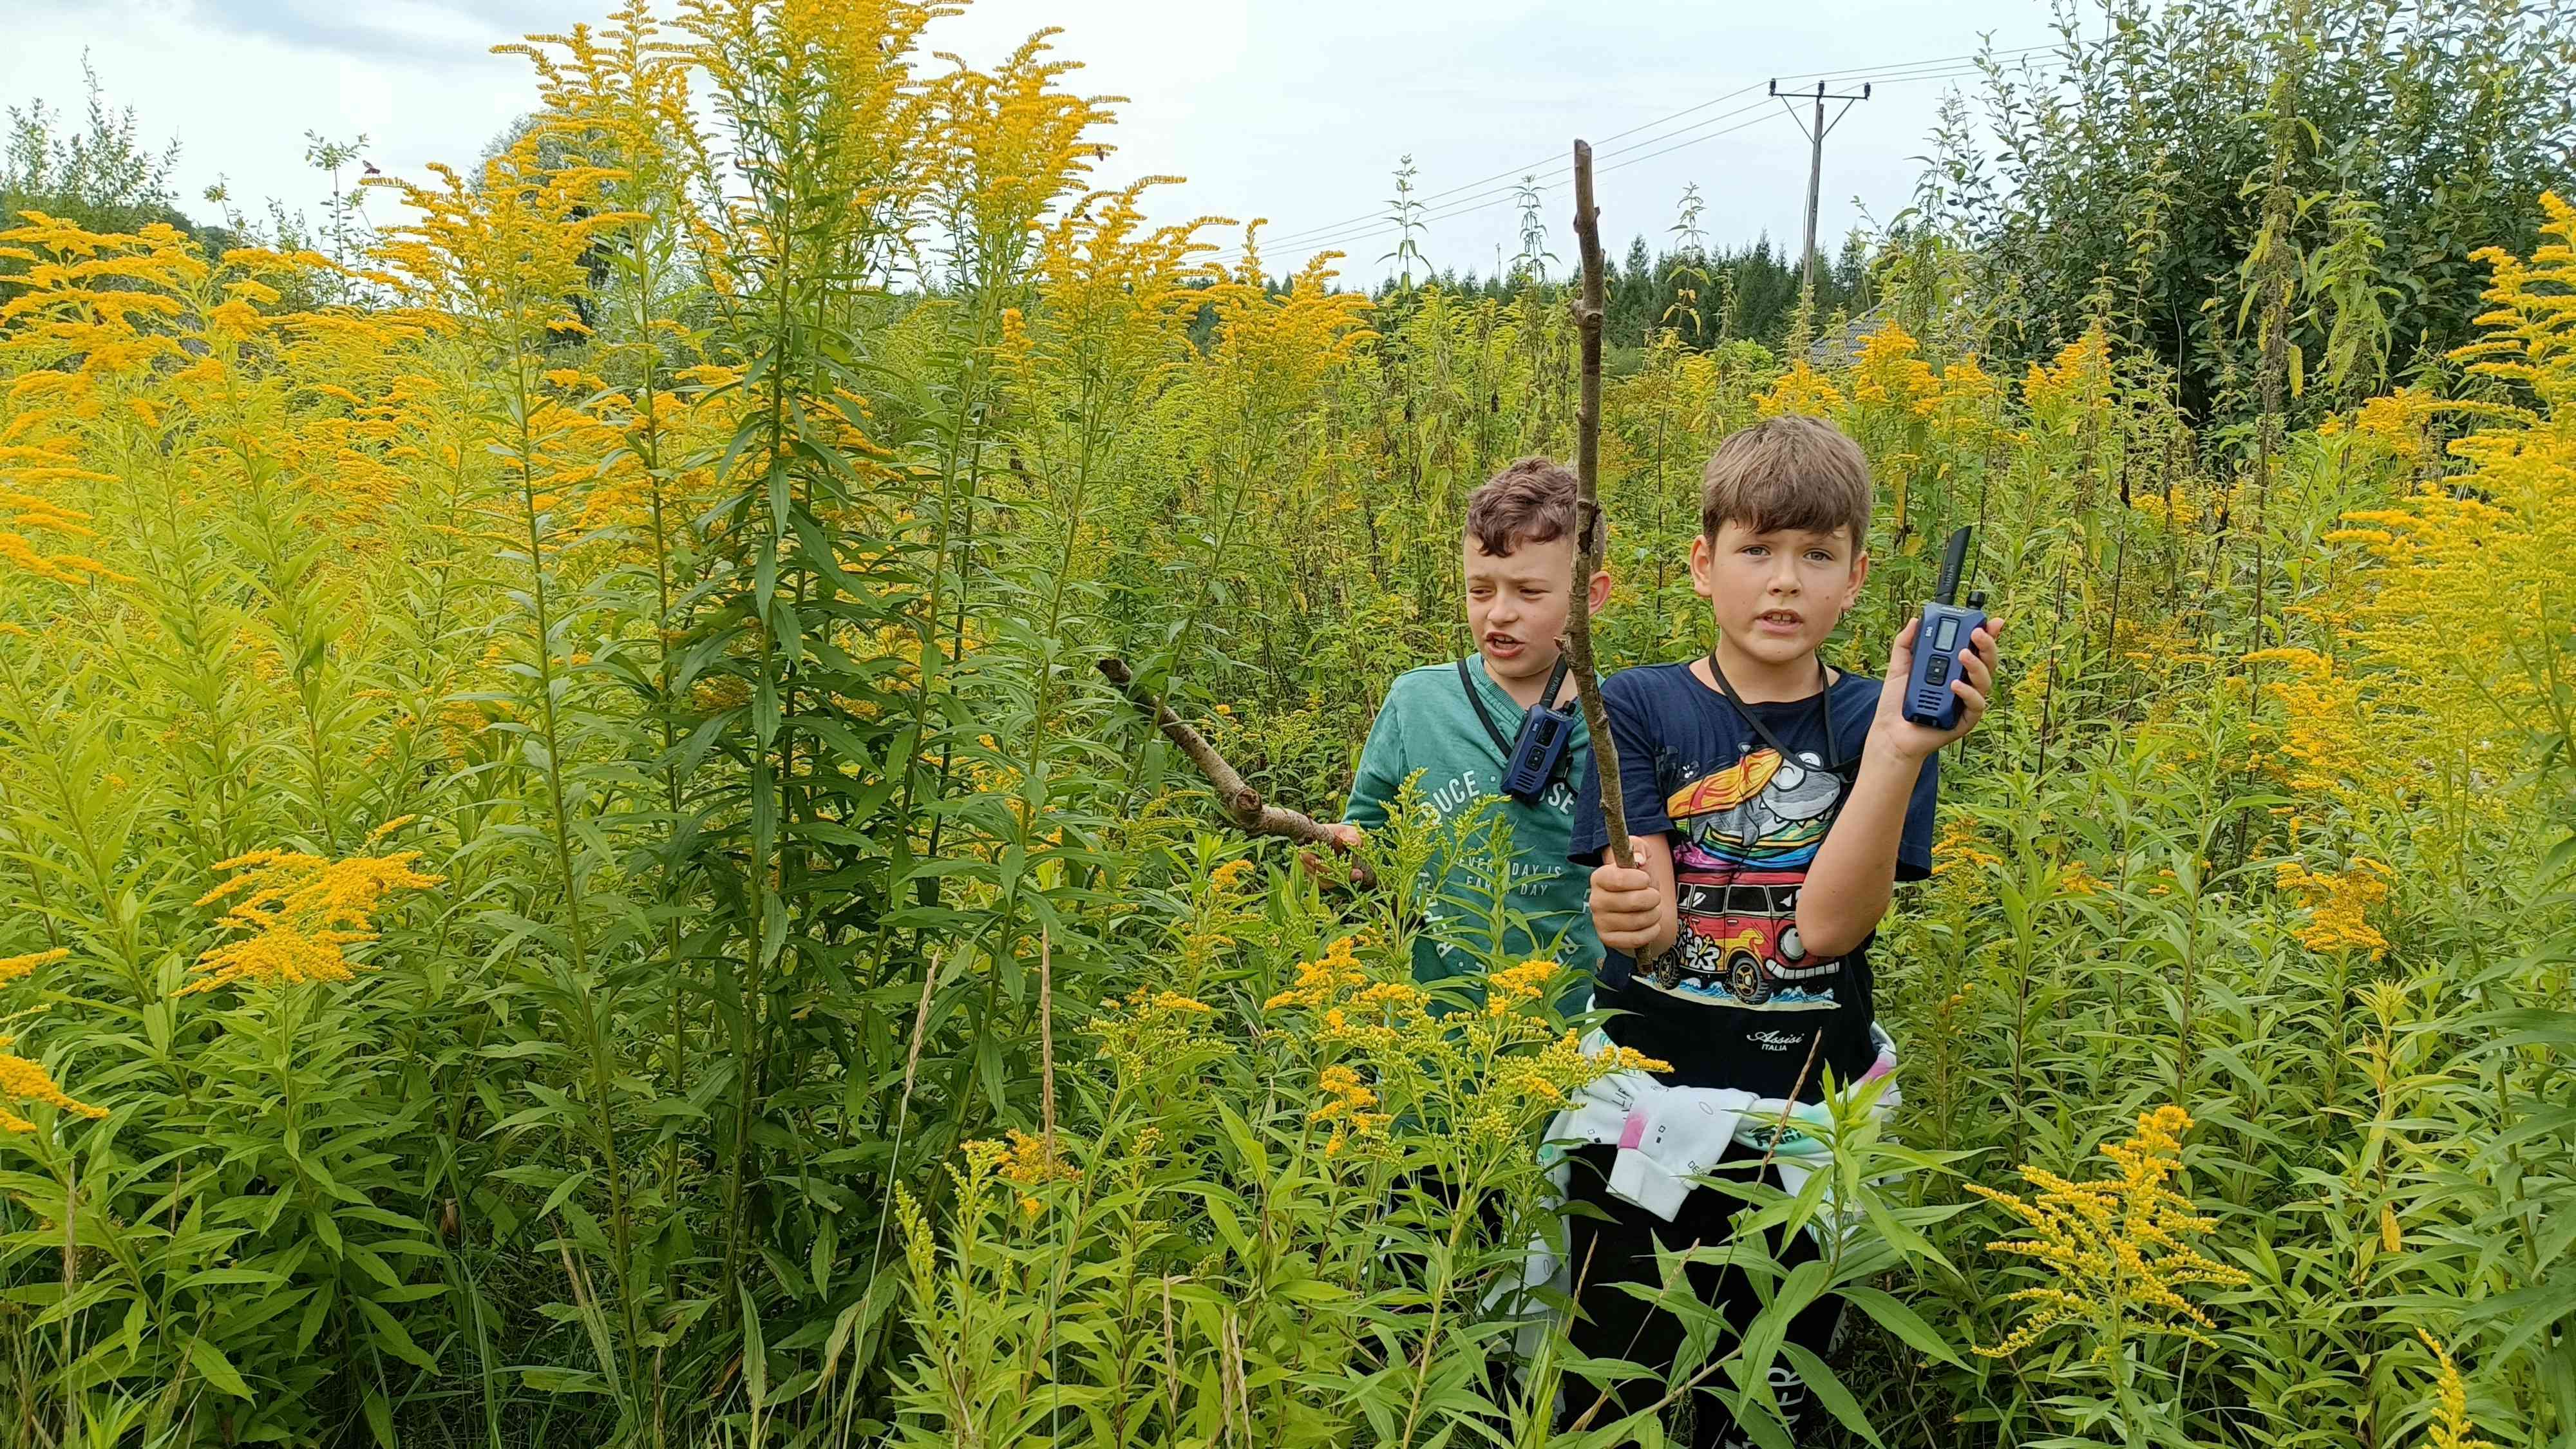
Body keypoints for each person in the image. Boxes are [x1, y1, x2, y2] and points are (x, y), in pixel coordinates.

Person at [1562, 415, 2002, 1446]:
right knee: (1614, 1376)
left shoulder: (1880, 721)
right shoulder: (1638, 705)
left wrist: (1899, 750)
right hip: (1646, 1109)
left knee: (1767, 1391)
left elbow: (1828, 926)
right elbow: (1645, 914)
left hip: (1807, 1118)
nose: (1785, 582)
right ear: (1702, 564)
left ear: (1856, 580)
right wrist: (1625, 910)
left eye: (1817, 555)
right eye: (1757, 549)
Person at [1322, 455, 1609, 1004]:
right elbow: (1369, 845)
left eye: (1529, 592)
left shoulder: (1621, 719)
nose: (1499, 613)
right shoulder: (1417, 703)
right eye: (1481, 591)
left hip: (1575, 1026)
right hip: (1435, 1027)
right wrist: (1339, 858)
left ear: (1589, 595)